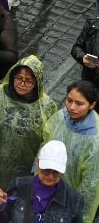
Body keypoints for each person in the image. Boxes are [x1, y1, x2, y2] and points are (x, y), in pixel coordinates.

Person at [0, 56, 59, 218]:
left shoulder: (46, 107)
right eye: (19, 78)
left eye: (29, 80)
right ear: (12, 77)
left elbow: (48, 143)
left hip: (23, 175)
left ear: (37, 83)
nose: (23, 83)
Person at [41, 80, 99, 222]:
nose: (71, 107)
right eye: (69, 100)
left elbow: (90, 186)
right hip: (47, 188)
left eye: (79, 104)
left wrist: (81, 216)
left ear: (92, 105)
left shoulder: (95, 138)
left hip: (69, 201)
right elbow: (44, 145)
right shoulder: (60, 117)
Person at [0, 140, 85, 223]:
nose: (50, 176)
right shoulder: (18, 186)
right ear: (38, 164)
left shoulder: (74, 200)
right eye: (46, 170)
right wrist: (0, 206)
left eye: (56, 172)